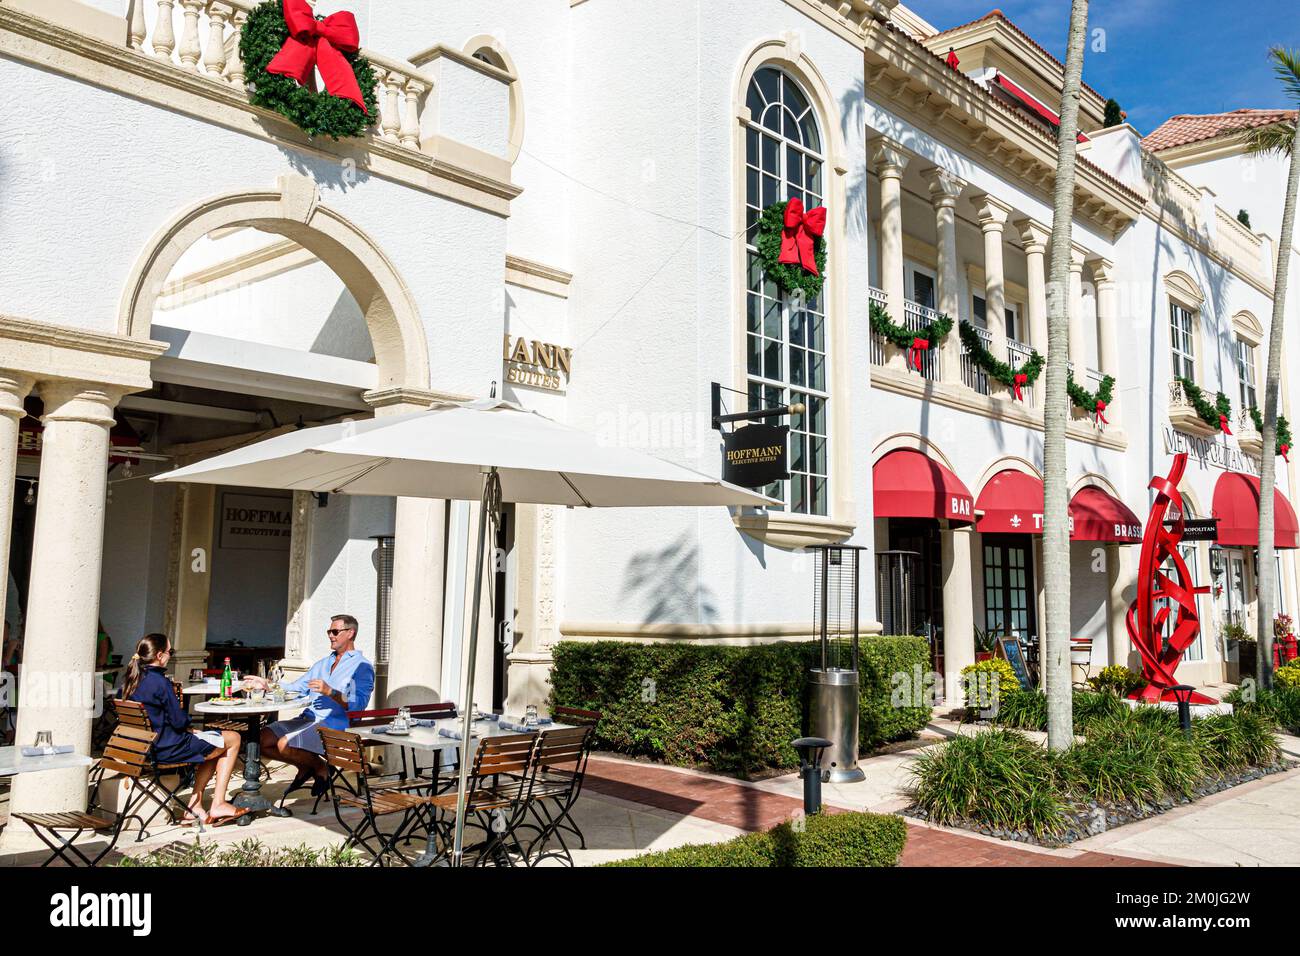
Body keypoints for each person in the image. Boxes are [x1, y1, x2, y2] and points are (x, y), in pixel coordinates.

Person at [122, 633, 249, 825]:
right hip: (167, 749)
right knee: (232, 738)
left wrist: (190, 730)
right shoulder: (160, 683)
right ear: (159, 656)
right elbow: (179, 721)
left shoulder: (131, 680)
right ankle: (218, 803)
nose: (170, 655)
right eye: (169, 652)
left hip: (143, 748)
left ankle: (195, 806)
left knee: (213, 743)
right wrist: (190, 728)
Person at [246, 614, 374, 796]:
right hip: (308, 719)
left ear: (350, 633)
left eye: (335, 631)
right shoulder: (322, 664)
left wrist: (332, 692)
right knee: (262, 739)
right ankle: (312, 767)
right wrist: (268, 685)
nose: (331, 635)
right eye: (329, 631)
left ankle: (319, 769)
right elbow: (296, 688)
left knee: (285, 744)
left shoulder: (362, 666)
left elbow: (359, 704)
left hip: (334, 726)